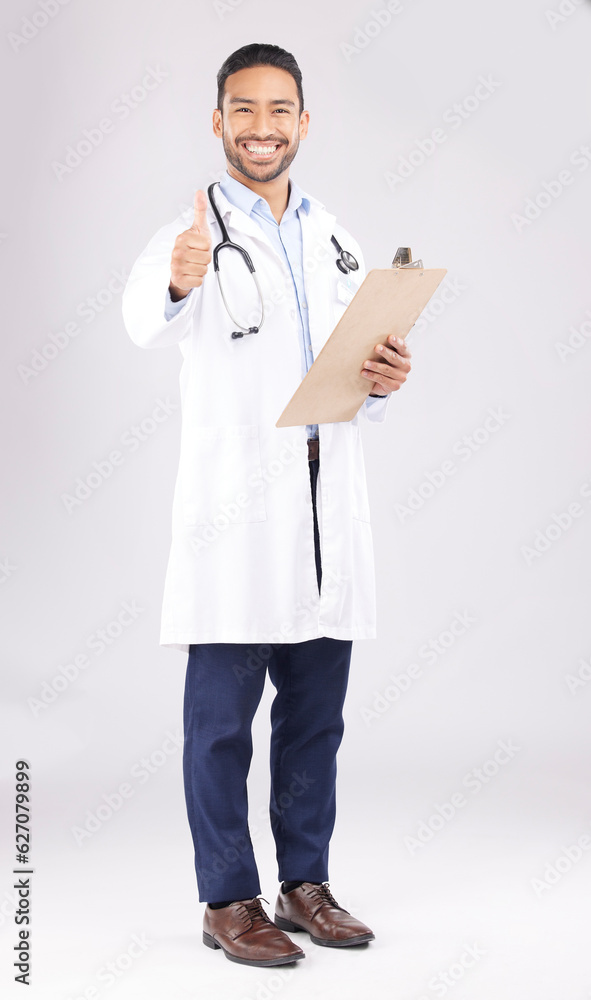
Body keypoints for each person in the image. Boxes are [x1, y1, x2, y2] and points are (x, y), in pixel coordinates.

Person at [122, 42, 412, 969]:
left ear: (302, 121)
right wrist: (174, 279)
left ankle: (304, 884)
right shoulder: (192, 232)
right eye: (242, 111)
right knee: (218, 728)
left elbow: (348, 377)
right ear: (217, 122)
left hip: (325, 520)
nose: (261, 127)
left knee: (315, 723)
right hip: (232, 527)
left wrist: (384, 376)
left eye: (278, 110)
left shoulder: (339, 239)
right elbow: (141, 315)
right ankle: (226, 899)